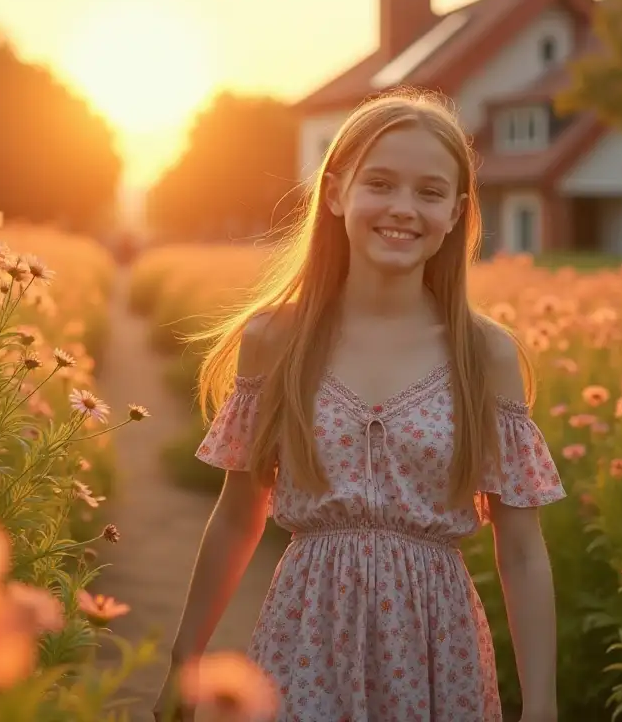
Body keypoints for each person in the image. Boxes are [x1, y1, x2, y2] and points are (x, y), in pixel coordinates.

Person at [154, 88, 565, 722]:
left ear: (456, 213)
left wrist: (541, 705)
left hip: (437, 650)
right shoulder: (275, 339)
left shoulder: (485, 354)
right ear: (338, 192)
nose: (403, 208)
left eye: (429, 192)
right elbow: (239, 516)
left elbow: (521, 550)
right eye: (381, 183)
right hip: (305, 638)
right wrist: (187, 662)